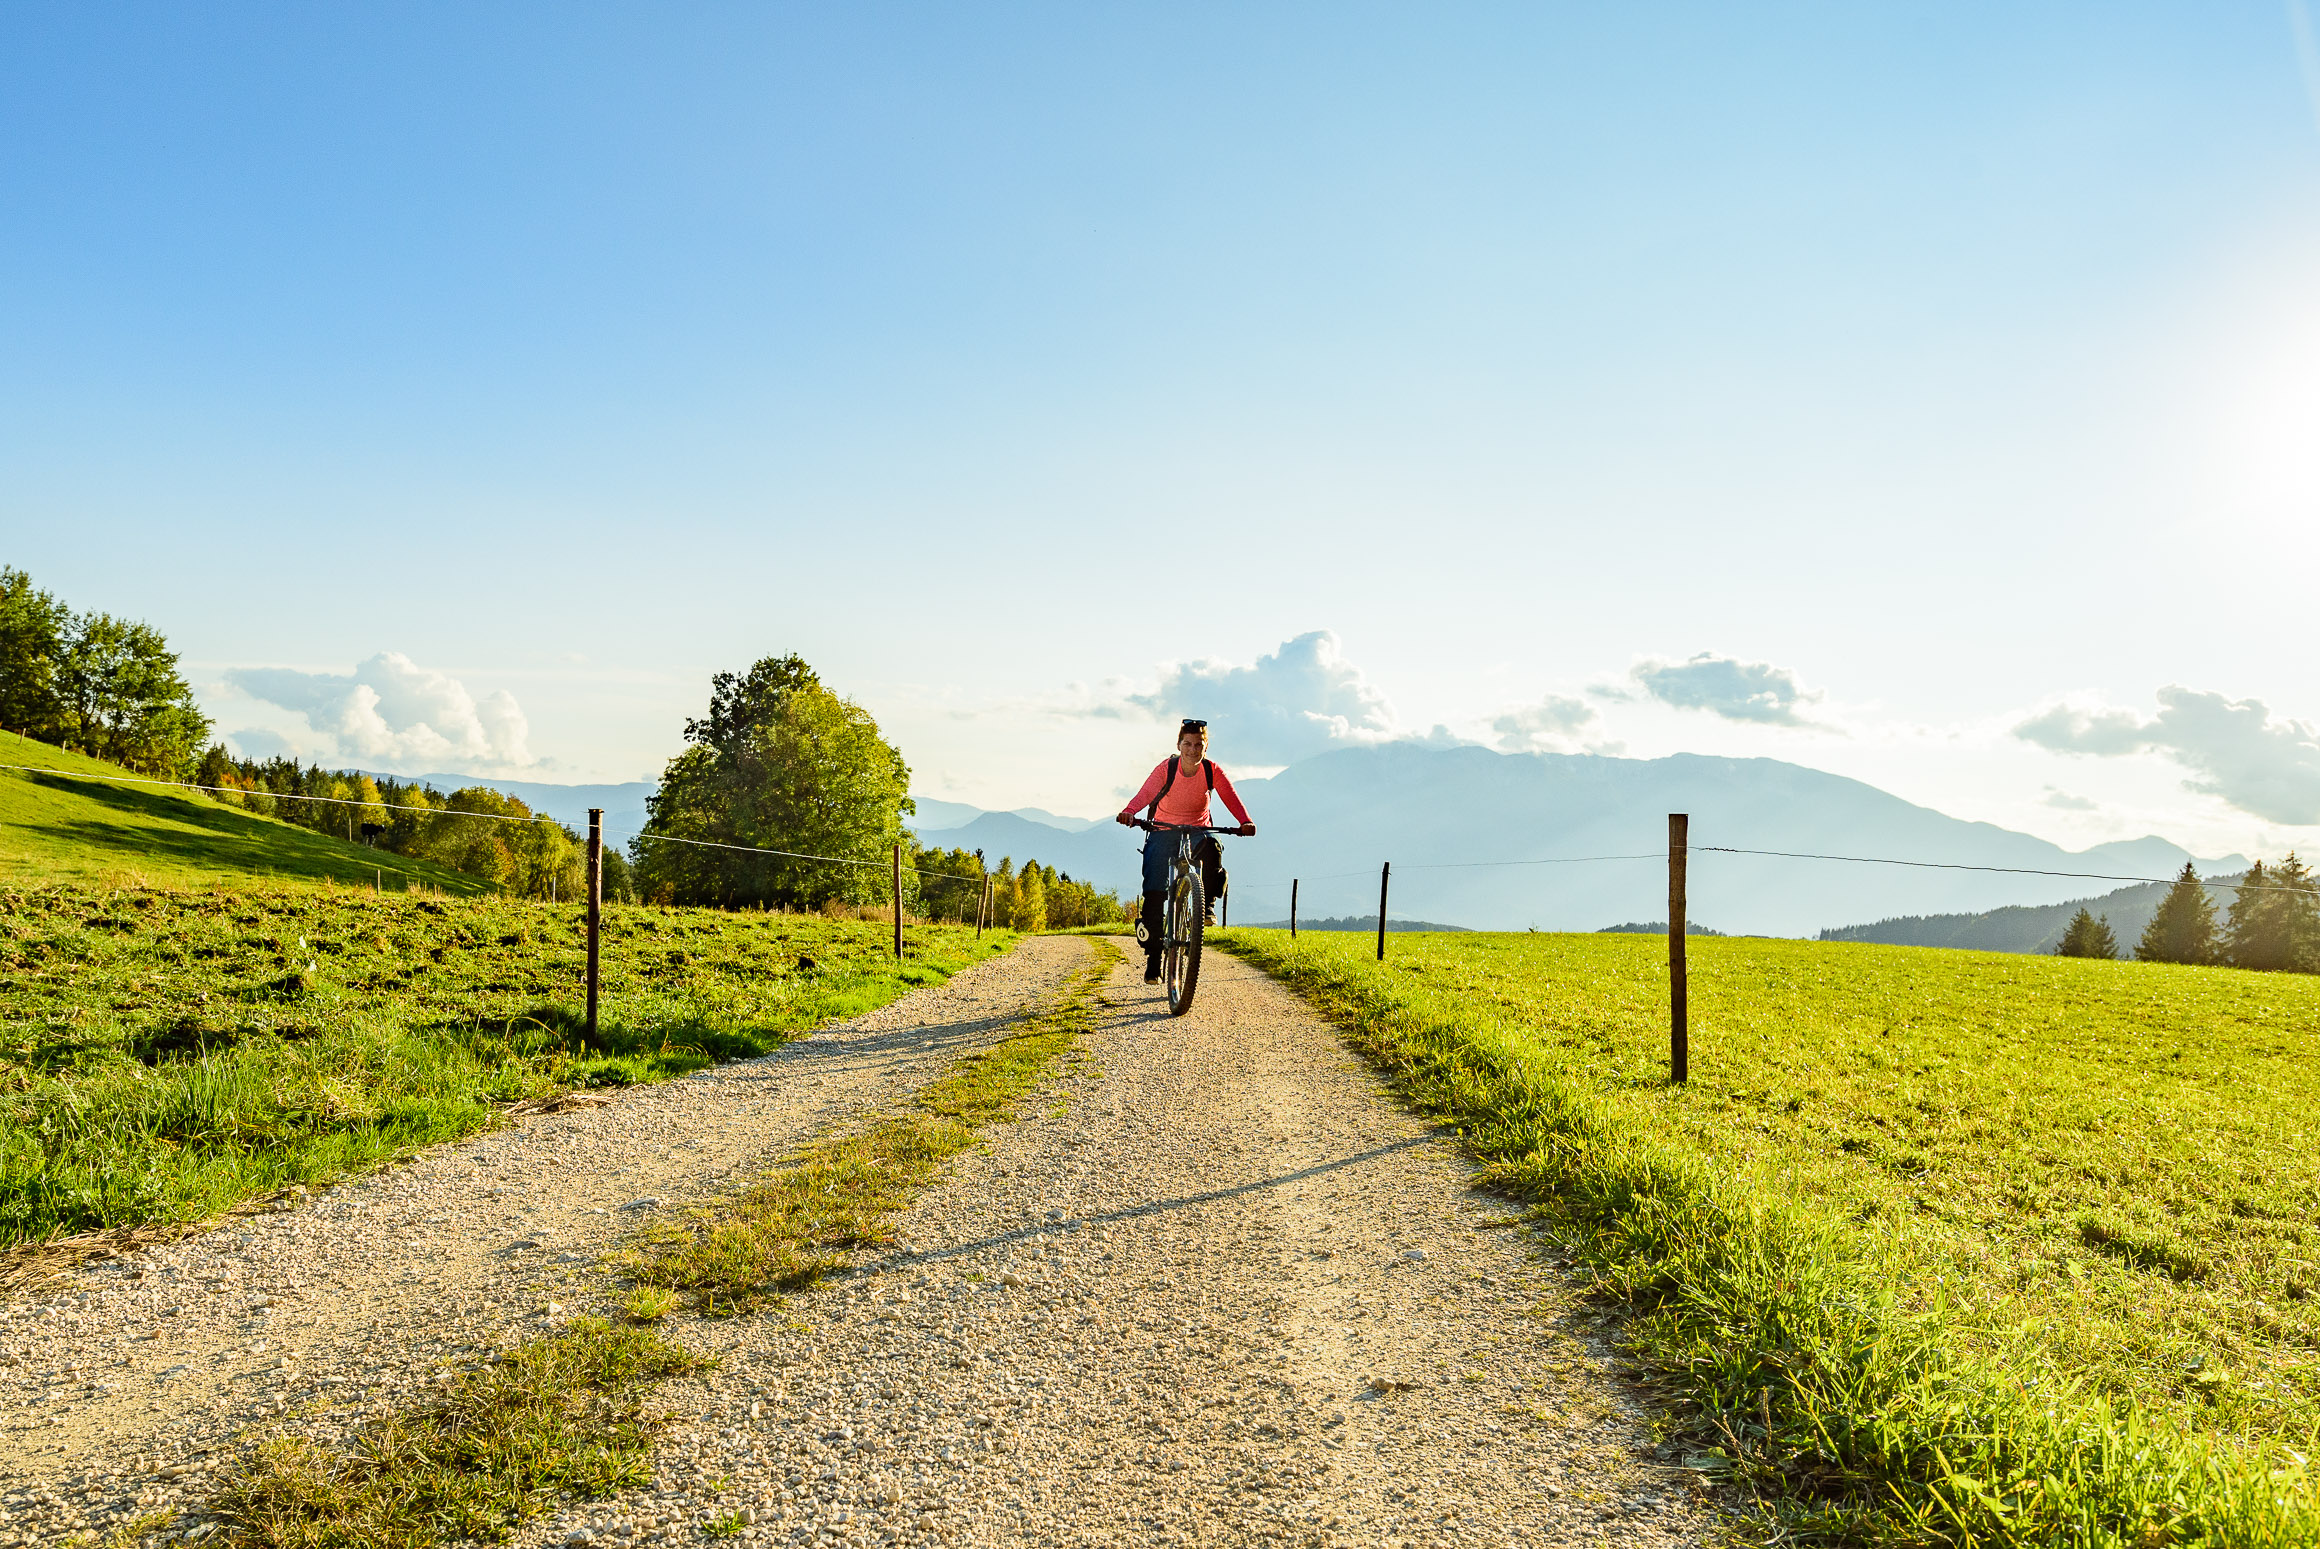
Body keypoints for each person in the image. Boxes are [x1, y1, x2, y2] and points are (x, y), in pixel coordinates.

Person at [1115, 719, 1255, 982]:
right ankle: (1154, 959)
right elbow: (1144, 794)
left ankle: (1206, 906)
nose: (1193, 749)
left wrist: (1245, 821)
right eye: (1187, 744)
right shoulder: (1166, 769)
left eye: (1198, 744)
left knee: (1213, 848)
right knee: (1155, 892)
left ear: (1206, 746)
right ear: (1179, 745)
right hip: (1163, 829)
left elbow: (1230, 797)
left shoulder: (1212, 771)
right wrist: (1129, 812)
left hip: (1198, 829)